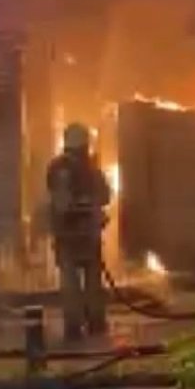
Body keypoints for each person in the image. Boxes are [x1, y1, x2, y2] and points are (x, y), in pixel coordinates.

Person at [46, 122, 111, 341]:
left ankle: (74, 328)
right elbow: (105, 196)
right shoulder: (91, 169)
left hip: (66, 236)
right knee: (93, 282)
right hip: (88, 236)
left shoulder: (56, 168)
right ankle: (96, 324)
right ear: (85, 143)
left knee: (70, 284)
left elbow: (56, 200)